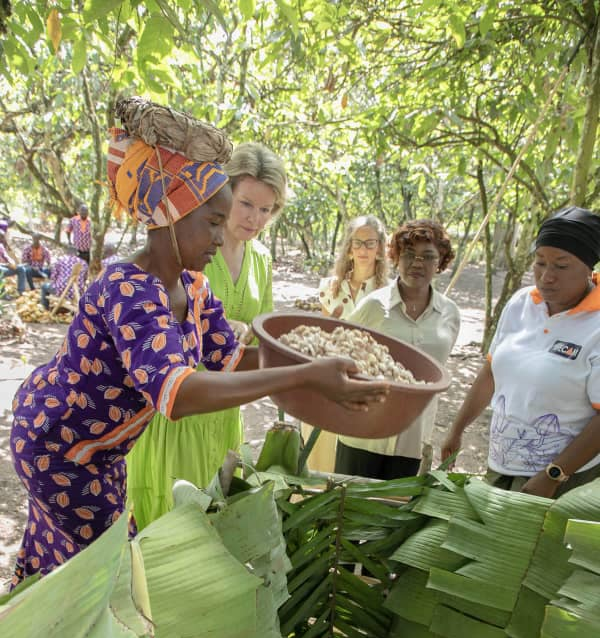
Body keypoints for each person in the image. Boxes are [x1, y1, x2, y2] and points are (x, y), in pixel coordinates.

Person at [9, 97, 389, 588]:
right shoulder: (130, 289)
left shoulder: (193, 286)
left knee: (74, 565)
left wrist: (314, 362)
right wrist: (303, 375)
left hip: (102, 451)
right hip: (59, 445)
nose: (222, 233)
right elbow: (179, 393)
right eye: (212, 221)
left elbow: (231, 361)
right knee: (106, 578)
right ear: (170, 214)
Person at [126, 142, 287, 528]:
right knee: (167, 523)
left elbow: (261, 329)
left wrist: (251, 337)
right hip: (179, 409)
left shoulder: (261, 260)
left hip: (224, 409)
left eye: (266, 210)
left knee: (210, 523)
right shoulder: (183, 249)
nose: (254, 218)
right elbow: (151, 331)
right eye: (246, 204)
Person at [442, 205, 600, 498]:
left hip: (566, 480)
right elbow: (491, 372)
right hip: (503, 463)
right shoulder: (521, 303)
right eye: (540, 262)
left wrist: (555, 474)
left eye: (561, 266)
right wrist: (457, 428)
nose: (547, 276)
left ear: (589, 268)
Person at [335, 219, 460, 479]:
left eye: (428, 256)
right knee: (349, 511)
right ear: (395, 258)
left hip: (413, 438)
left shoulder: (449, 314)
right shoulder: (374, 306)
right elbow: (339, 349)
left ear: (440, 262)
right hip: (364, 433)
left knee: (395, 515)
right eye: (409, 255)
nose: (417, 263)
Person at [303, 215, 389, 473]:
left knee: (348, 464)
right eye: (357, 243)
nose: (363, 250)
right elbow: (321, 337)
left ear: (381, 248)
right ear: (349, 248)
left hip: (364, 384)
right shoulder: (330, 288)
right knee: (319, 455)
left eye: (370, 243)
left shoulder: (389, 293)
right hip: (329, 382)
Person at [0, 228, 28, 294]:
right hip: (1, 268)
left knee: (21, 268)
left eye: (2, 237)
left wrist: (12, 263)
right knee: (1, 270)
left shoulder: (1, 246)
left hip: (5, 267)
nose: (2, 239)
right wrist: (6, 265)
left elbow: (6, 257)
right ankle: (3, 293)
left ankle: (21, 291)